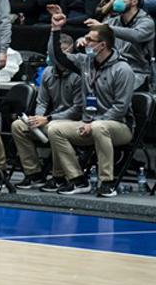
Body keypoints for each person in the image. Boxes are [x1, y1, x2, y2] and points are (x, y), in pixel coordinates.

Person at [46, 14, 135, 197]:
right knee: (54, 128)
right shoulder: (85, 62)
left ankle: (107, 182)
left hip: (119, 126)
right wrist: (56, 30)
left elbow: (120, 108)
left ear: (102, 45)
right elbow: (58, 58)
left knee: (99, 126)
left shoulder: (123, 69)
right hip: (89, 123)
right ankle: (77, 179)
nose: (84, 42)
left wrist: (93, 123)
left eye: (89, 39)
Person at [12, 32, 83, 190]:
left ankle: (59, 176)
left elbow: (77, 109)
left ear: (69, 54)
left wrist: (48, 118)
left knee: (54, 129)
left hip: (72, 121)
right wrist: (38, 117)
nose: (54, 56)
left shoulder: (78, 75)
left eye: (60, 52)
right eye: (51, 53)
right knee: (18, 126)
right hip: (51, 118)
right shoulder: (47, 73)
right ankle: (34, 174)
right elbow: (42, 101)